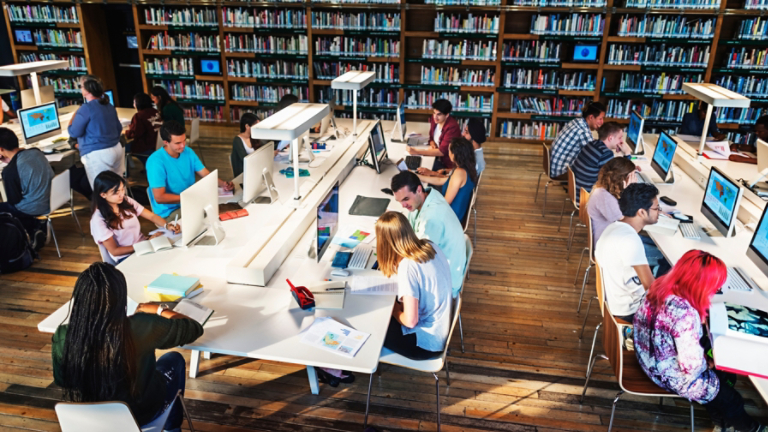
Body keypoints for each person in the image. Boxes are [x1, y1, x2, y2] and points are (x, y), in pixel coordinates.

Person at [52, 263, 203, 432]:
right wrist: (159, 309)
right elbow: (192, 327)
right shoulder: (140, 327)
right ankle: (172, 429)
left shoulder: (63, 335)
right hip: (140, 415)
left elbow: (62, 380)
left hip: (89, 422)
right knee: (173, 360)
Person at [634, 250, 767, 432]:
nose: (715, 292)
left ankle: (720, 418)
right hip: (667, 375)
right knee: (732, 399)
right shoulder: (685, 315)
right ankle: (750, 428)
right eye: (714, 287)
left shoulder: (659, 286)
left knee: (724, 380)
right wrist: (710, 363)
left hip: (646, 357)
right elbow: (692, 368)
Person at [377, 211, 452, 360]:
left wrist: (395, 311)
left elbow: (411, 321)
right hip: (440, 330)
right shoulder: (429, 245)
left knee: (375, 322)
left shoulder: (408, 266)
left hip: (424, 344)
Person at [391, 171, 467, 298]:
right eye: (399, 201)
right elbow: (411, 231)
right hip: (441, 265)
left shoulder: (432, 219)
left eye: (406, 199)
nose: (403, 205)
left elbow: (420, 260)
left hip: (445, 282)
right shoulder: (428, 196)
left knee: (394, 287)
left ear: (419, 189)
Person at [595, 183, 661, 322]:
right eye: (656, 208)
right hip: (629, 311)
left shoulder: (613, 227)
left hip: (614, 302)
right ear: (642, 212)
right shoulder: (631, 240)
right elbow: (651, 289)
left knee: (660, 260)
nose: (659, 212)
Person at [146, 120, 234, 221]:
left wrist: (223, 184)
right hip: (170, 212)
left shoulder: (188, 152)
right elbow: (160, 197)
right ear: (165, 142)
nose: (183, 145)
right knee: (211, 214)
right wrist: (190, 198)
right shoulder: (155, 162)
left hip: (190, 202)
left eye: (184, 140)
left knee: (222, 208)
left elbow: (205, 174)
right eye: (178, 143)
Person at [90, 171, 180, 263]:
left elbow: (152, 216)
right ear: (103, 194)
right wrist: (146, 244)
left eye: (122, 189)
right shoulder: (98, 219)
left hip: (144, 246)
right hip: (126, 257)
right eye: (116, 192)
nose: (122, 194)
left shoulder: (125, 201)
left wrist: (167, 225)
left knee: (175, 254)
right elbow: (115, 251)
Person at [68, 75, 124, 188]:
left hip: (98, 154)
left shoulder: (85, 108)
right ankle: (125, 206)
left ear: (87, 90)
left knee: (102, 191)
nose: (80, 89)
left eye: (81, 86)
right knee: (118, 187)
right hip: (117, 149)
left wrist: (73, 117)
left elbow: (74, 132)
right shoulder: (108, 105)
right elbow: (119, 128)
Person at [0, 127, 52, 248]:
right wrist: (10, 162)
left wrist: (10, 167)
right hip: (51, 199)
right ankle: (36, 226)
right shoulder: (36, 151)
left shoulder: (9, 172)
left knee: (6, 208)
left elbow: (14, 201)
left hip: (34, 207)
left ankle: (31, 230)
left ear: (1, 149)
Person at [416, 137, 477, 222]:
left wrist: (426, 206)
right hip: (456, 214)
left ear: (455, 154)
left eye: (449, 150)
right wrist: (416, 176)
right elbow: (441, 180)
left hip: (450, 218)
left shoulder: (459, 173)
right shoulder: (466, 168)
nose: (448, 152)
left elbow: (445, 203)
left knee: (416, 208)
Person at [571, 122, 628, 202]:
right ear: (610, 138)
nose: (622, 141)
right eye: (620, 138)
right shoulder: (606, 154)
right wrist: (627, 154)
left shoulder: (591, 144)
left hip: (577, 192)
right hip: (585, 198)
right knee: (623, 193)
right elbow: (617, 178)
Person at [587, 157, 637, 246]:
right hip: (608, 246)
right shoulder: (605, 198)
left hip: (612, 237)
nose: (636, 179)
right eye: (633, 176)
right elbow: (629, 224)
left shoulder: (604, 189)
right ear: (623, 179)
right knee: (656, 252)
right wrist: (630, 192)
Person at [550, 102, 606, 178]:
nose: (602, 122)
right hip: (561, 172)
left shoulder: (577, 121)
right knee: (596, 170)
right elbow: (594, 155)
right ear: (591, 117)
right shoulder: (584, 132)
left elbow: (589, 143)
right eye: (600, 119)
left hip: (554, 167)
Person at [406, 99, 461, 170]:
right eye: (434, 113)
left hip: (447, 165)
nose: (435, 116)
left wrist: (417, 152)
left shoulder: (452, 127)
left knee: (418, 169)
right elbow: (431, 137)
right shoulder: (434, 119)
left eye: (439, 114)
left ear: (447, 115)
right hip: (437, 157)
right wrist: (432, 143)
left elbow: (442, 152)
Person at [125, 93, 162, 162]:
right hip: (157, 144)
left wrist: (127, 132)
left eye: (134, 102)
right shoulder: (155, 111)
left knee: (123, 148)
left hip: (146, 146)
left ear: (138, 103)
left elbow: (135, 134)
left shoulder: (139, 116)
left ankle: (127, 172)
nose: (133, 104)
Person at [231, 112, 259, 177]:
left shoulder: (253, 137)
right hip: (244, 174)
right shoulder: (237, 140)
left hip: (254, 171)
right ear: (247, 126)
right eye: (255, 125)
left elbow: (264, 147)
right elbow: (245, 159)